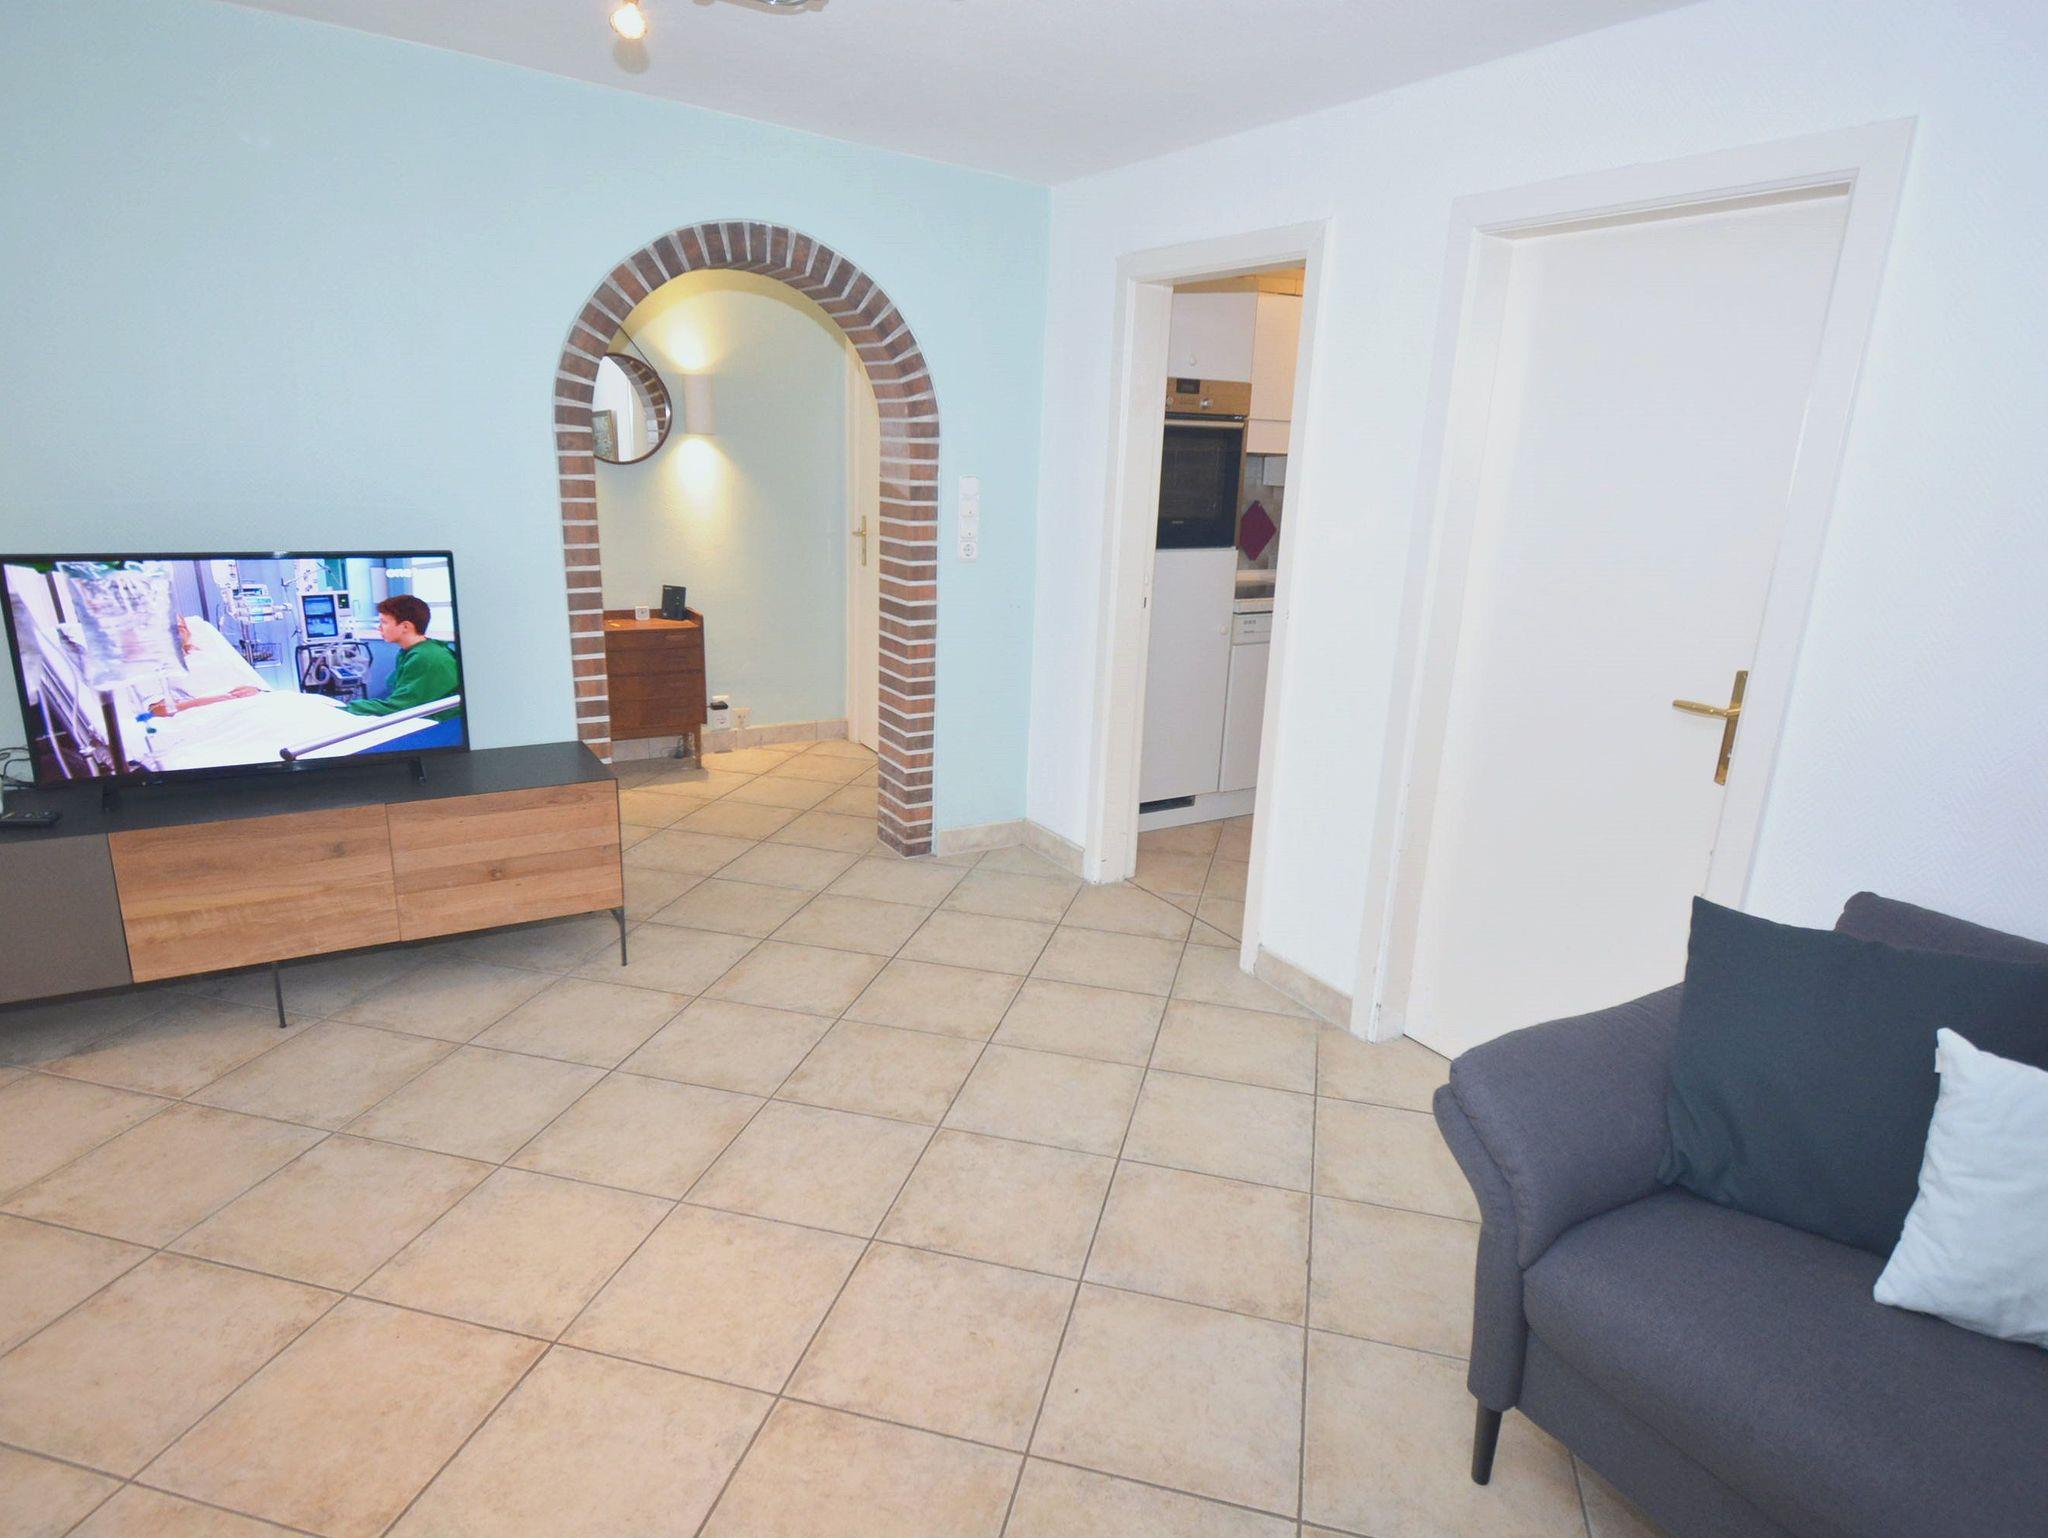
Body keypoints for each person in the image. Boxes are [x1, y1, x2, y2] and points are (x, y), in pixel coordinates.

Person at [345, 595, 461, 721]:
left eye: (384, 622)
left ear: (405, 626)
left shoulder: (426, 658)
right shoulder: (414, 651)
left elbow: (399, 708)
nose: (379, 627)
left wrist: (348, 708)